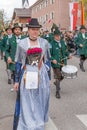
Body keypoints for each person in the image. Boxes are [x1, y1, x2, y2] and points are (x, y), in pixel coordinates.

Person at [13, 18, 50, 130]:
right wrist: (16, 80)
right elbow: (19, 62)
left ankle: (38, 124)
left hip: (41, 75)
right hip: (27, 75)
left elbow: (47, 61)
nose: (35, 32)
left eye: (37, 29)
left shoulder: (44, 43)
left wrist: (48, 78)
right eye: (32, 29)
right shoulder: (22, 44)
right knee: (27, 100)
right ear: (28, 30)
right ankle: (27, 124)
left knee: (40, 99)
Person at [50, 28, 70, 99]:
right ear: (54, 36)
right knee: (58, 76)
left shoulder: (63, 42)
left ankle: (56, 82)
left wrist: (68, 55)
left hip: (63, 62)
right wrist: (52, 59)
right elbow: (49, 54)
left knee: (63, 75)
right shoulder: (51, 43)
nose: (58, 37)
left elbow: (66, 51)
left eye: (59, 35)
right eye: (56, 36)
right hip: (56, 63)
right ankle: (57, 92)